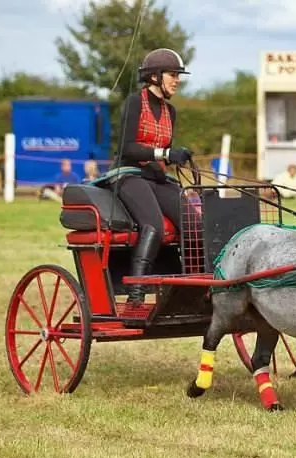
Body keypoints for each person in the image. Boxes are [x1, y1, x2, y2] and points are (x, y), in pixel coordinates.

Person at [112, 47, 193, 305]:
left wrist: (175, 156)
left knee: (194, 221)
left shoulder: (171, 112)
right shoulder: (135, 102)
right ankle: (136, 292)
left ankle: (193, 287)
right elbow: (127, 148)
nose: (177, 80)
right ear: (155, 76)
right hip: (128, 175)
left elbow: (163, 152)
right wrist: (166, 154)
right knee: (153, 226)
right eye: (173, 74)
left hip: (155, 176)